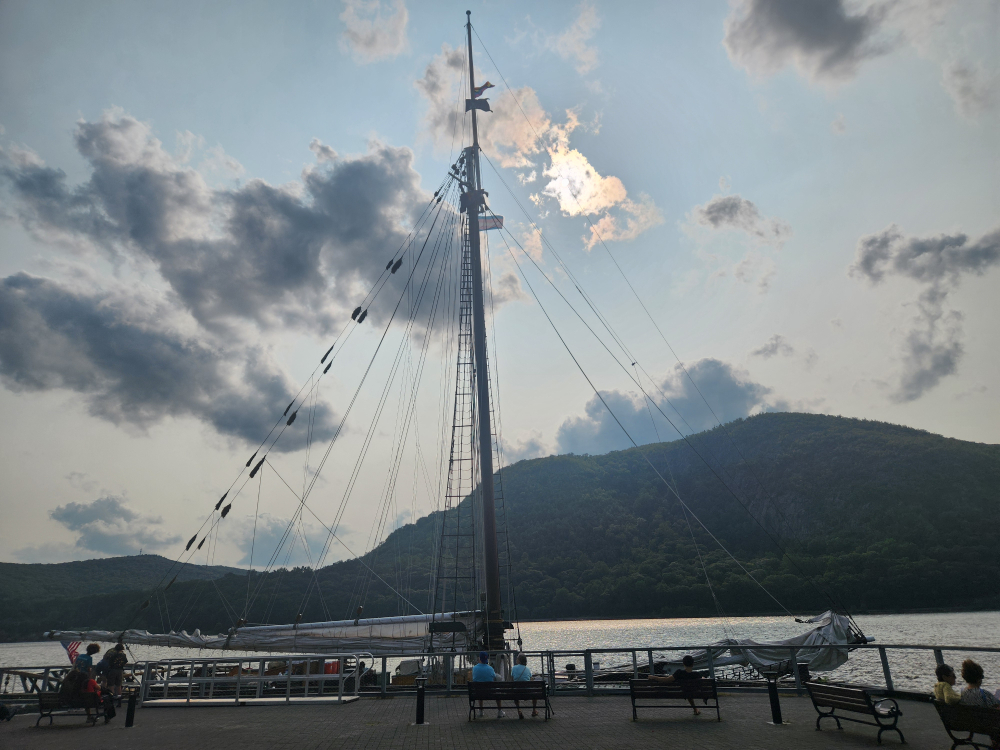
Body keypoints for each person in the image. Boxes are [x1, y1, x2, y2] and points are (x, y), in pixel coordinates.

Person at [471, 651, 504, 719]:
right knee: (497, 690)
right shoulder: (490, 669)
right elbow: (494, 677)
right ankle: (500, 711)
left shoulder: (474, 668)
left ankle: (481, 710)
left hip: (478, 693)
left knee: (479, 688)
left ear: (479, 658)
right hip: (490, 693)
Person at [511, 652, 538, 719]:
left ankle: (519, 710)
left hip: (517, 693)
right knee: (535, 694)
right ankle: (534, 710)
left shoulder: (514, 668)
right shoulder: (528, 669)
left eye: (517, 658)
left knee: (515, 693)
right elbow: (530, 679)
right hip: (527, 693)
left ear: (519, 660)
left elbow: (511, 680)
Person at [106, 643, 128, 707]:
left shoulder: (113, 655)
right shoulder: (123, 655)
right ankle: (119, 702)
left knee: (111, 685)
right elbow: (125, 662)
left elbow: (109, 662)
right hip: (120, 671)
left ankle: (112, 700)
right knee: (119, 686)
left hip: (112, 670)